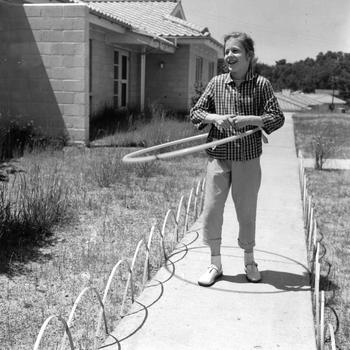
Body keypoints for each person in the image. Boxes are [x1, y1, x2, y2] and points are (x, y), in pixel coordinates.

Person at [190, 31, 284, 287]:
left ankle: (249, 261)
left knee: (246, 212)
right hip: (218, 157)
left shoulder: (261, 85)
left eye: (235, 50)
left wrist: (250, 120)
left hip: (247, 158)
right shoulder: (216, 83)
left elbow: (277, 117)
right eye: (227, 50)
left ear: (249, 56)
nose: (229, 55)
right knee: (211, 211)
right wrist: (215, 118)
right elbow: (196, 112)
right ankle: (215, 263)